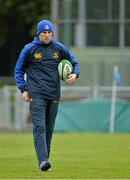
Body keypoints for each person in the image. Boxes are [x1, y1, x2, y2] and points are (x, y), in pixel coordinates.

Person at [14, 19, 80, 171]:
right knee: (40, 128)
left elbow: (74, 63)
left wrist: (74, 74)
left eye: (49, 32)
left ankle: (45, 161)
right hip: (36, 95)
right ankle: (43, 161)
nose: (47, 35)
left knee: (49, 130)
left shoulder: (58, 47)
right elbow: (18, 70)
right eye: (44, 32)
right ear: (38, 33)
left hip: (54, 95)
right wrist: (23, 89)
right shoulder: (29, 49)